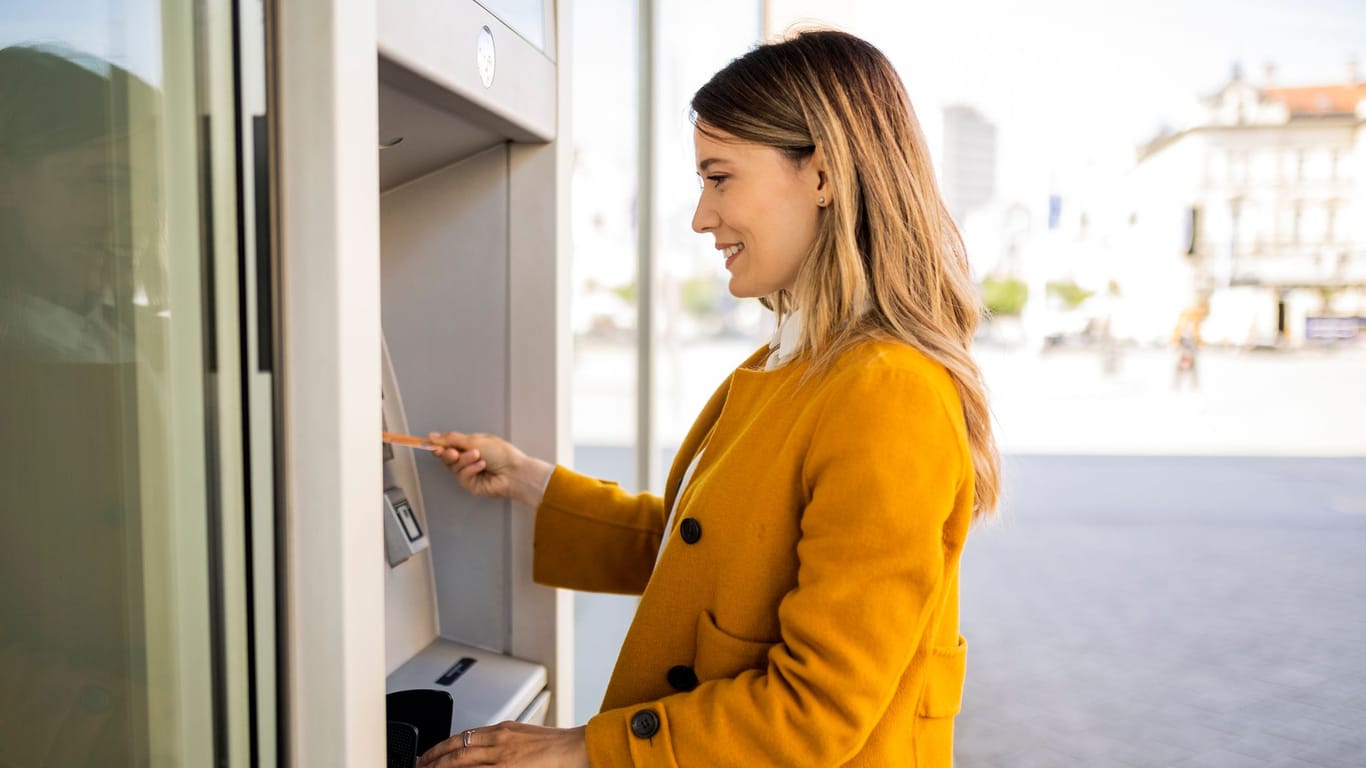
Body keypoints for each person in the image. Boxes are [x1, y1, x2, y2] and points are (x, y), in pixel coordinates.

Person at [419, 29, 1000, 768]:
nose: (700, 216)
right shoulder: (797, 363)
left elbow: (815, 710)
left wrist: (579, 750)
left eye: (719, 178)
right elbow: (707, 555)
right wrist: (532, 481)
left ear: (821, 174)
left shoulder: (889, 393)